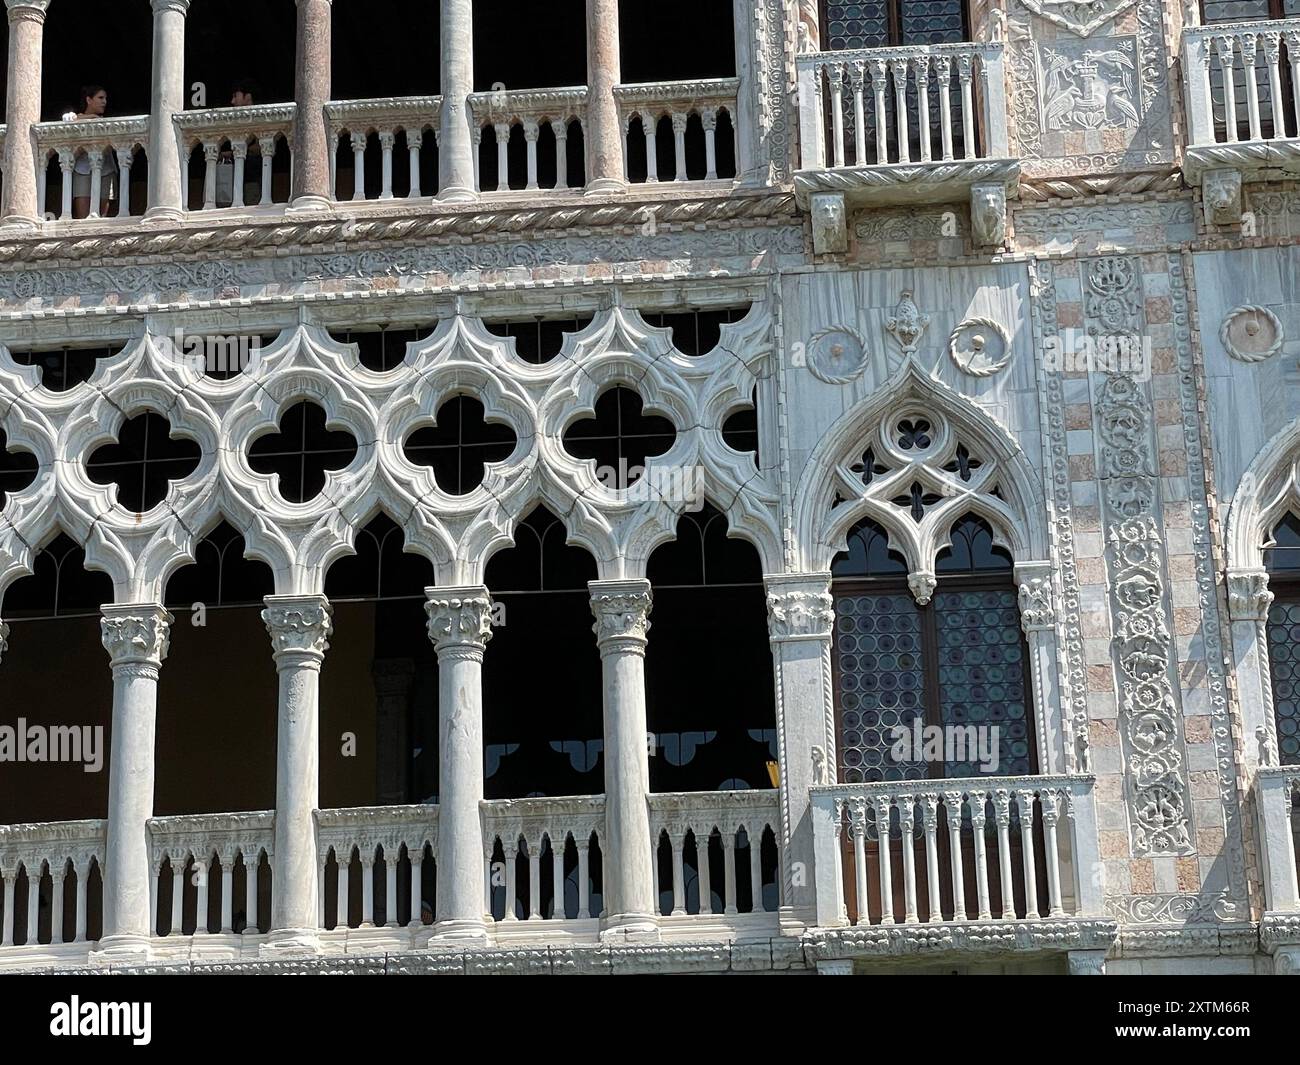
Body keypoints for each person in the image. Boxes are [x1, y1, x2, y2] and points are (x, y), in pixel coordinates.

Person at [64, 86, 118, 219]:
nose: (104, 101)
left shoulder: (106, 120)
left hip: (106, 169)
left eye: (105, 98)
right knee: (83, 217)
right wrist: (90, 117)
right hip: (82, 169)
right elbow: (66, 120)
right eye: (100, 98)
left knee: (101, 217)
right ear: (89, 99)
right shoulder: (74, 117)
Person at [218, 79, 264, 208]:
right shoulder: (237, 121)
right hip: (238, 181)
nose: (232, 102)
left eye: (235, 96)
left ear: (247, 97)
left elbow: (258, 149)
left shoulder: (259, 119)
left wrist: (231, 154)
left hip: (253, 181)